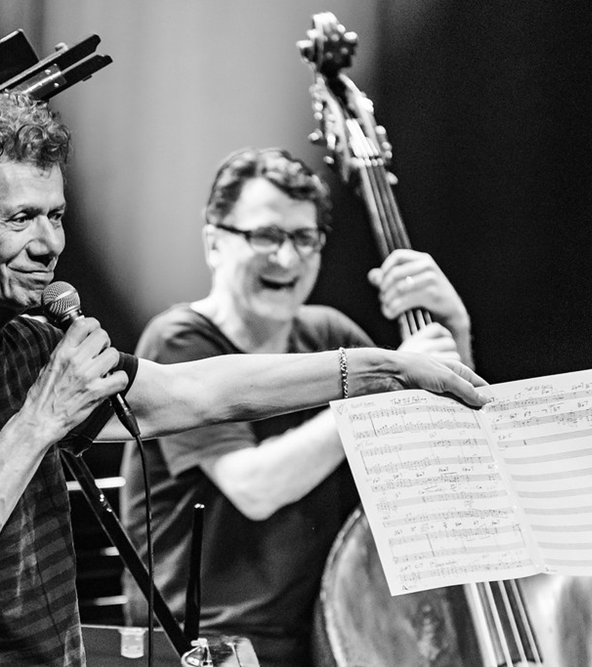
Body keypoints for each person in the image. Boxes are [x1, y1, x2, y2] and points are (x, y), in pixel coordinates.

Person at [0, 93, 486, 666]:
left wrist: (386, 368)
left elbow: (197, 393)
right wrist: (40, 420)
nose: (49, 243)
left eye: (55, 215)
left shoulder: (24, 338)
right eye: (21, 217)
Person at [119, 147, 474, 666]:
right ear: (214, 242)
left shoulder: (329, 334)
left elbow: (441, 460)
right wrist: (376, 384)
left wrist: (455, 329)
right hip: (213, 645)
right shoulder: (179, 343)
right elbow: (255, 488)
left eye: (304, 239)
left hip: (329, 625)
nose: (287, 258)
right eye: (265, 235)